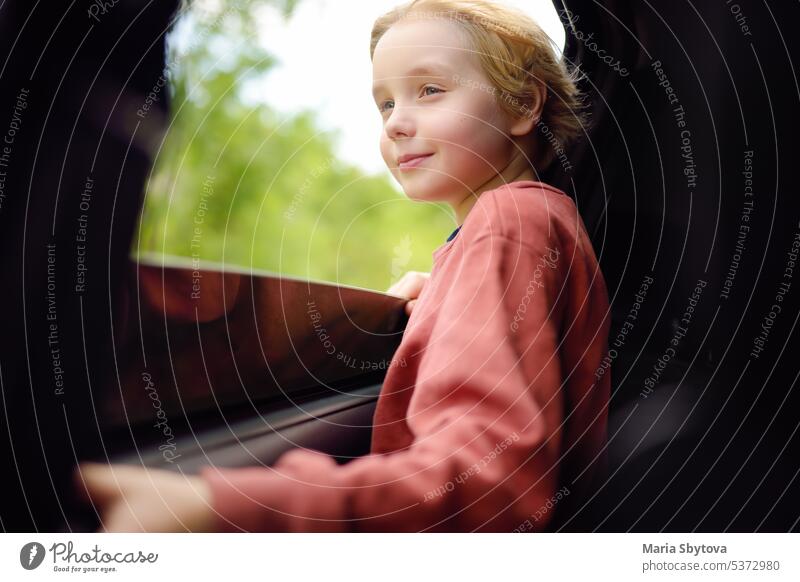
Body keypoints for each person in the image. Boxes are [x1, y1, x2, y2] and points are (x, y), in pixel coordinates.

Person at [75, 0, 610, 532]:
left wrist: (224, 508)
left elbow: (487, 484)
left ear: (522, 105)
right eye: (383, 104)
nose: (397, 122)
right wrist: (444, 298)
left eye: (430, 90)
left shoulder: (509, 222)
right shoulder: (519, 225)